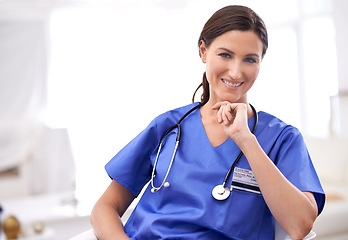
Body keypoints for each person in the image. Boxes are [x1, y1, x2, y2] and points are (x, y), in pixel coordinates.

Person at [90, 5, 325, 240]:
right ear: (203, 51)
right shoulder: (169, 125)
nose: (235, 72)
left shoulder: (281, 138)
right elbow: (105, 208)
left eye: (250, 60)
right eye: (225, 55)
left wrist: (246, 140)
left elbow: (300, 226)